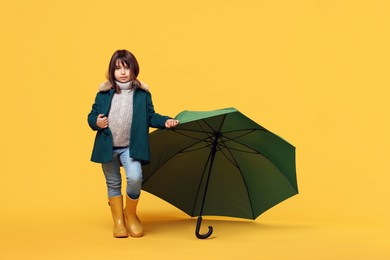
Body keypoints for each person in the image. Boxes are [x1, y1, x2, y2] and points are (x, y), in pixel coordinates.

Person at [87, 49, 179, 238]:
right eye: (118, 68)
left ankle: (130, 214)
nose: (122, 72)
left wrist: (166, 121)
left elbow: (151, 116)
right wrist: (96, 121)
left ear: (133, 69)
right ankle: (118, 221)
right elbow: (91, 116)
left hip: (131, 147)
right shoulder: (103, 93)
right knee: (113, 183)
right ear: (112, 71)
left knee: (135, 178)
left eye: (126, 67)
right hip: (108, 147)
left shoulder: (142, 94)